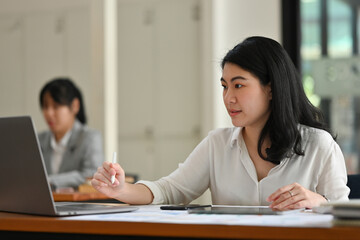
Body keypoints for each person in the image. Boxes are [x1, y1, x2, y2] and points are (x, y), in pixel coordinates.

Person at [91, 36, 349, 210]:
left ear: (271, 89)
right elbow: (169, 190)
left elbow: (346, 217)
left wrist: (318, 201)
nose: (228, 98)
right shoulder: (218, 144)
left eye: (238, 85)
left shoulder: (319, 146)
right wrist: (120, 190)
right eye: (224, 87)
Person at [38, 78, 104, 189]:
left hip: (80, 205)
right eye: (45, 106)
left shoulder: (90, 138)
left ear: (75, 106)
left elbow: (92, 174)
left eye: (56, 106)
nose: (49, 113)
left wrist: (50, 181)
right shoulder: (38, 140)